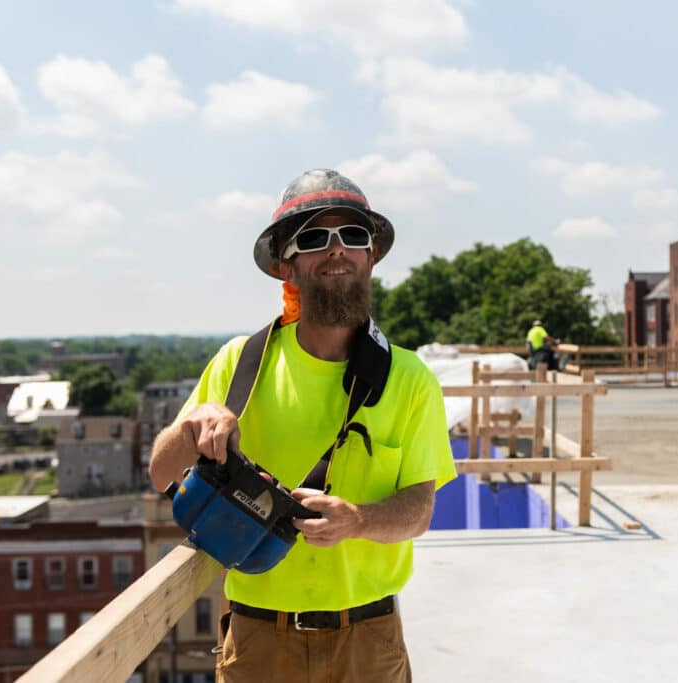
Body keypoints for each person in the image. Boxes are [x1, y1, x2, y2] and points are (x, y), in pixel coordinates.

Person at [148, 168, 457, 683]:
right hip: (259, 641)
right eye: (314, 238)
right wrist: (192, 427)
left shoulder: (409, 379)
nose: (337, 249)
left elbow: (418, 511)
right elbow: (161, 474)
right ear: (285, 267)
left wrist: (357, 519)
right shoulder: (240, 364)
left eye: (352, 236)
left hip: (368, 642)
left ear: (370, 257)